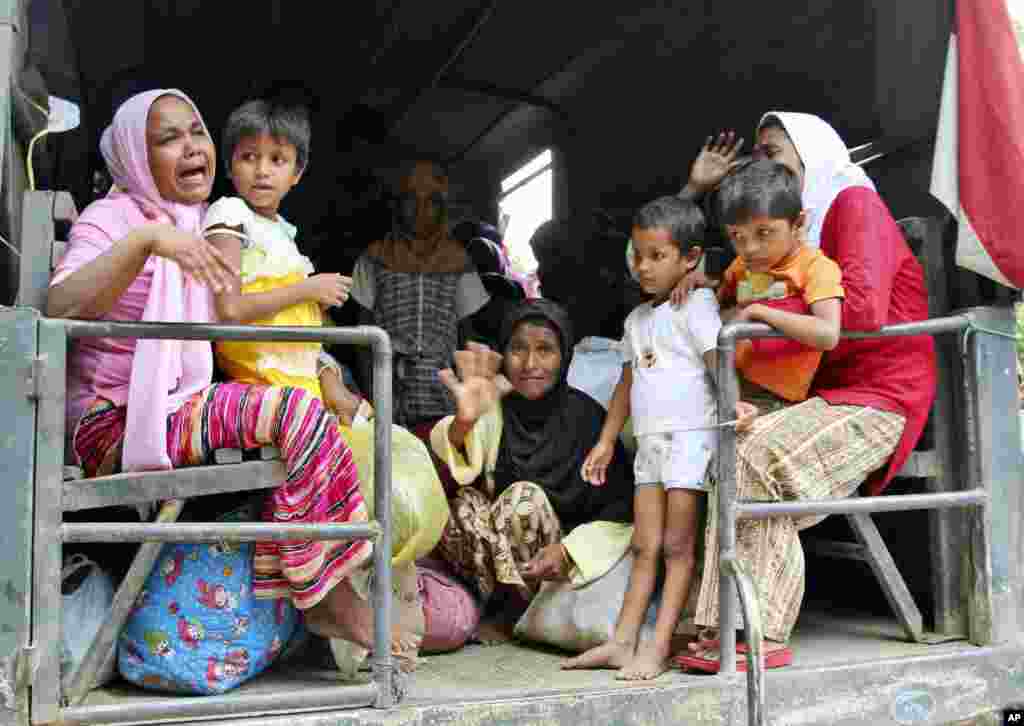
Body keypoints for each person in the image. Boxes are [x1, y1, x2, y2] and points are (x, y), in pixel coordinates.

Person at [45, 89, 386, 666]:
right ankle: (321, 593)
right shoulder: (115, 219)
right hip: (114, 423)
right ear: (134, 156)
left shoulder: (205, 222)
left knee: (329, 420)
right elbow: (59, 305)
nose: (190, 146)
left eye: (196, 130)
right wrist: (147, 243)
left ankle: (317, 582)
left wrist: (325, 367)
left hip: (184, 404)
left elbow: (247, 318)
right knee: (291, 413)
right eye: (167, 138)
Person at [671, 113, 936, 672]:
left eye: (774, 151)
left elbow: (858, 311)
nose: (765, 165)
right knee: (730, 446)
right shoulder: (790, 241)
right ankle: (722, 626)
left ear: (812, 152)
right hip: (820, 397)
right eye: (759, 156)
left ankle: (758, 634)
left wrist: (754, 314)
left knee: (760, 455)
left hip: (879, 395)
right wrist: (722, 294)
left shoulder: (851, 204)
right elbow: (755, 289)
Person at [201, 100, 451, 666]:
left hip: (296, 385)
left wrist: (331, 378)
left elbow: (299, 335)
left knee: (384, 453)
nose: (262, 170)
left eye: (277, 158)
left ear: (298, 171)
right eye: (248, 157)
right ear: (229, 165)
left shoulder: (282, 234)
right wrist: (306, 290)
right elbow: (228, 309)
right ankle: (333, 604)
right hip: (255, 384)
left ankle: (359, 607)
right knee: (327, 460)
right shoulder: (227, 215)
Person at [563, 197, 754, 680]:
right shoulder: (636, 320)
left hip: (691, 441)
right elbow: (628, 383)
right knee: (644, 545)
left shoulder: (698, 304)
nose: (643, 267)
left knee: (676, 548)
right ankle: (621, 641)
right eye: (638, 256)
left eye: (656, 256)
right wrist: (607, 439)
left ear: (690, 258)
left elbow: (716, 360)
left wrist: (733, 403)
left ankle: (660, 644)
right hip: (650, 443)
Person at [430, 300, 636, 642]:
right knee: (462, 504)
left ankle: (521, 615)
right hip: (497, 561)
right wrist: (464, 421)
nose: (530, 364)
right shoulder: (492, 407)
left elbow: (619, 511)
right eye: (518, 349)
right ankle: (498, 608)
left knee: (522, 500)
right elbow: (455, 463)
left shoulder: (586, 419)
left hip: (555, 564)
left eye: (545, 350)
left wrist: (569, 551)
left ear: (564, 356)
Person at [349, 160, 490, 434]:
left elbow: (468, 334)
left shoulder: (458, 260)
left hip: (444, 389)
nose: (421, 210)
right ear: (398, 204)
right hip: (389, 388)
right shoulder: (374, 258)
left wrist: (467, 392)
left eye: (432, 201)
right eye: (411, 199)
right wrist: (375, 395)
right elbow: (361, 339)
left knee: (443, 461)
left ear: (442, 208)